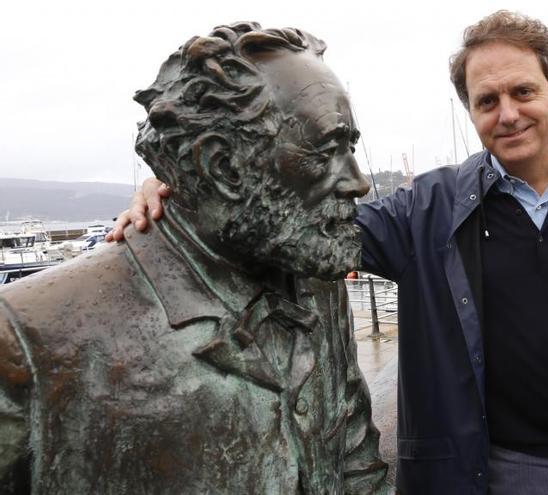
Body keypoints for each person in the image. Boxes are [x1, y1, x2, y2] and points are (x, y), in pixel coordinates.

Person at [114, 11, 548, 494]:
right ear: (470, 111)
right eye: (487, 101)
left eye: (523, 91)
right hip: (494, 471)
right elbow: (304, 226)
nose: (507, 114)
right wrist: (181, 189)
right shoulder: (428, 207)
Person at [1, 22, 389, 494]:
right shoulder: (29, 336)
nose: (358, 181)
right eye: (328, 150)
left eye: (350, 148)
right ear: (221, 166)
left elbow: (356, 464)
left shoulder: (317, 283)